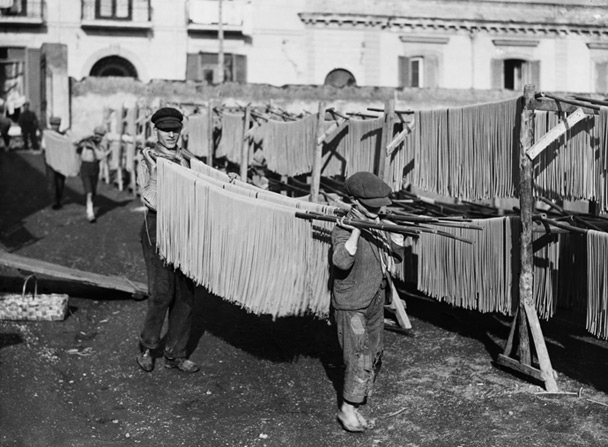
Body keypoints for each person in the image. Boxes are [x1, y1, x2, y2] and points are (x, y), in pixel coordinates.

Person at [330, 171, 405, 433]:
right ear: (355, 202)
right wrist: (355, 233)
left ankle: (356, 402)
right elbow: (340, 261)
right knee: (359, 355)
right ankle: (347, 410)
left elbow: (394, 258)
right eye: (373, 206)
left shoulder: (379, 221)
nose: (380, 209)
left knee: (374, 352)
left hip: (374, 299)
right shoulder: (343, 225)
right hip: (353, 305)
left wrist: (396, 237)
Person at [135, 107, 199, 374]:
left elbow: (204, 182)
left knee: (185, 295)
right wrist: (160, 173)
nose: (171, 135)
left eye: (175, 130)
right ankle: (148, 347)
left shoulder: (187, 159)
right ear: (156, 131)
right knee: (162, 293)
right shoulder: (148, 160)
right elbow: (151, 199)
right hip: (158, 227)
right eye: (166, 130)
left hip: (185, 228)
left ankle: (175, 353)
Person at [75, 125, 110, 222]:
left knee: (93, 191)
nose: (97, 137)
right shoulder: (87, 142)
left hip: (95, 167)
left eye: (100, 135)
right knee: (89, 191)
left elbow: (101, 156)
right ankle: (90, 213)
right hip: (85, 167)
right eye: (96, 135)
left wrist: (94, 146)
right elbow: (75, 143)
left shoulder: (102, 144)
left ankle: (90, 206)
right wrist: (86, 138)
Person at [42, 116, 69, 209]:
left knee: (60, 180)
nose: (55, 127)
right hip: (50, 160)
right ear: (51, 125)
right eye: (54, 125)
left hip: (60, 160)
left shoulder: (62, 136)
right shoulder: (47, 135)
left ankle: (59, 199)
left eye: (57, 125)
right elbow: (43, 147)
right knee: (51, 180)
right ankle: (54, 201)